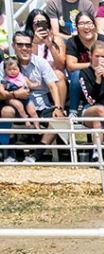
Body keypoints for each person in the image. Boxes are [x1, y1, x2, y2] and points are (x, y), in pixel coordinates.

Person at [1, 32, 65, 163]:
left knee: (59, 119)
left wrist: (58, 107)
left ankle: (36, 155)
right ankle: (10, 154)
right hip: (16, 105)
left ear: (32, 46)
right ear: (13, 46)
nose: (24, 48)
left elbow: (53, 86)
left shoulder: (41, 62)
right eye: (20, 44)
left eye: (28, 45)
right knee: (6, 112)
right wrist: (14, 94)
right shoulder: (5, 65)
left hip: (41, 105)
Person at [66, 11, 104, 114]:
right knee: (77, 74)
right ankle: (73, 111)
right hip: (84, 75)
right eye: (82, 23)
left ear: (94, 25)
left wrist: (102, 58)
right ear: (77, 27)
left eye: (89, 23)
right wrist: (92, 64)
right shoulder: (73, 41)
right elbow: (71, 66)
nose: (86, 27)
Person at [78, 40, 104, 161]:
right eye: (97, 56)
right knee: (100, 110)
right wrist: (97, 80)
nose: (100, 59)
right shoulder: (85, 73)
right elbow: (91, 100)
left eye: (103, 56)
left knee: (99, 120)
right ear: (90, 56)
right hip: (90, 110)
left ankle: (97, 151)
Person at [0, 57, 41, 130]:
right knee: (19, 105)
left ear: (19, 68)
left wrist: (36, 85)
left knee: (32, 111)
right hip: (12, 98)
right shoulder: (6, 80)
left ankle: (37, 127)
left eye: (14, 69)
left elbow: (30, 85)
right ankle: (25, 120)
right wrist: (4, 93)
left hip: (26, 97)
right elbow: (1, 89)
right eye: (9, 69)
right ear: (5, 70)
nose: (12, 71)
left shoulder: (23, 77)